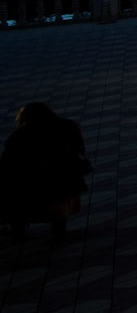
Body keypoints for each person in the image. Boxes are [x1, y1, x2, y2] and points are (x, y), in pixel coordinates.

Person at [2, 102, 90, 244]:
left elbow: (8, 161)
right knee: (58, 209)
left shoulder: (20, 136)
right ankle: (59, 235)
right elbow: (79, 149)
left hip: (31, 181)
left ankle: (17, 235)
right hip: (63, 177)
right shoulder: (68, 126)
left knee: (20, 210)